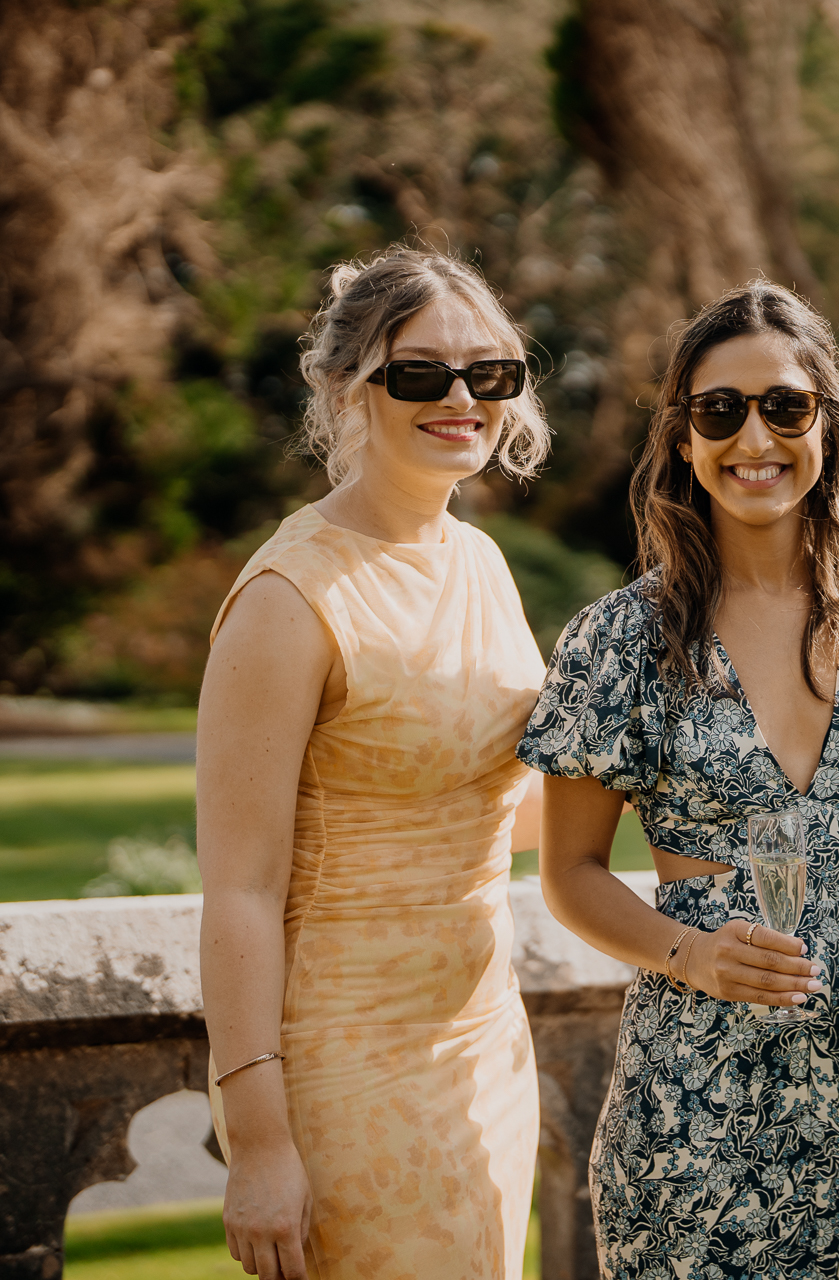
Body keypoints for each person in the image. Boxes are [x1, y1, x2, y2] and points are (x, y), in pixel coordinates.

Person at [519, 280, 839, 1278]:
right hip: (690, 1108)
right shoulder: (621, 636)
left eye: (786, 406)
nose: (756, 436)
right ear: (684, 438)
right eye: (721, 410)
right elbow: (569, 871)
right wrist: (691, 952)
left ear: (828, 427)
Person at [197, 246, 552, 1279]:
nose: (460, 398)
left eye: (489, 373)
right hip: (347, 1064)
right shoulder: (288, 598)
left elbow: (480, 805)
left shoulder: (478, 560)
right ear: (345, 387)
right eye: (421, 373)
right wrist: (259, 1141)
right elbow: (240, 891)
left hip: (485, 1040)